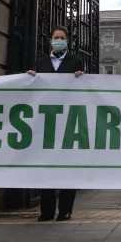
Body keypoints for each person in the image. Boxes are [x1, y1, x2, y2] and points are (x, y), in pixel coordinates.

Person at [27, 25, 84, 221]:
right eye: (56, 37)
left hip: (68, 118)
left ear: (67, 41)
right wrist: (30, 78)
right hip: (46, 119)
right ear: (50, 40)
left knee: (68, 164)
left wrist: (80, 77)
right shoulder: (41, 62)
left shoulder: (75, 61)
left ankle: (66, 210)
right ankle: (47, 210)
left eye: (62, 37)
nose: (59, 40)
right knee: (47, 165)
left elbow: (84, 89)